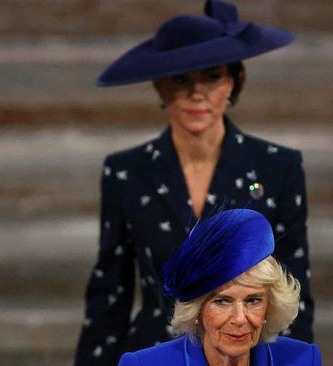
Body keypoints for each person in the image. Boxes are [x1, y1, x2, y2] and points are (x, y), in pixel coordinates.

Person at [75, 1, 313, 364]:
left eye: (212, 76)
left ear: (234, 81)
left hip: (245, 351)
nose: (196, 93)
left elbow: (294, 288)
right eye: (181, 79)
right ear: (160, 86)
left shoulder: (277, 167)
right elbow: (110, 293)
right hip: (154, 354)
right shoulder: (127, 172)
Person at [118, 209, 321, 365]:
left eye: (253, 300)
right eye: (222, 301)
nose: (240, 318)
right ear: (197, 309)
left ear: (271, 305)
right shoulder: (144, 364)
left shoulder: (303, 359)